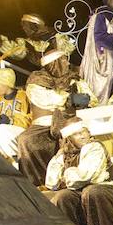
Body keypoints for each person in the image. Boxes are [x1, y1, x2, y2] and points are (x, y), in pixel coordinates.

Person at [45, 119, 113, 225]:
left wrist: (65, 174)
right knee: (62, 197)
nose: (83, 136)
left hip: (107, 192)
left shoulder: (94, 147)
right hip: (83, 195)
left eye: (84, 132)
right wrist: (63, 170)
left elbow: (83, 177)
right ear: (69, 138)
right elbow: (51, 182)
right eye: (77, 134)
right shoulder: (63, 155)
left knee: (91, 192)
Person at [17, 48, 96, 186]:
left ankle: (67, 180)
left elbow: (92, 100)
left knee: (73, 138)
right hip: (44, 123)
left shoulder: (74, 80)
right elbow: (46, 98)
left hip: (69, 119)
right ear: (54, 64)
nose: (67, 63)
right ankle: (34, 183)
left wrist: (86, 100)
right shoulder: (37, 80)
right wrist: (69, 98)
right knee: (26, 140)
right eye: (63, 60)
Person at [0, 67, 30, 161]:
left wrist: (12, 121)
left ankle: (16, 159)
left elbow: (31, 118)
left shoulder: (24, 96)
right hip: (4, 134)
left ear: (6, 82)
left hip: (22, 132)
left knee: (2, 129)